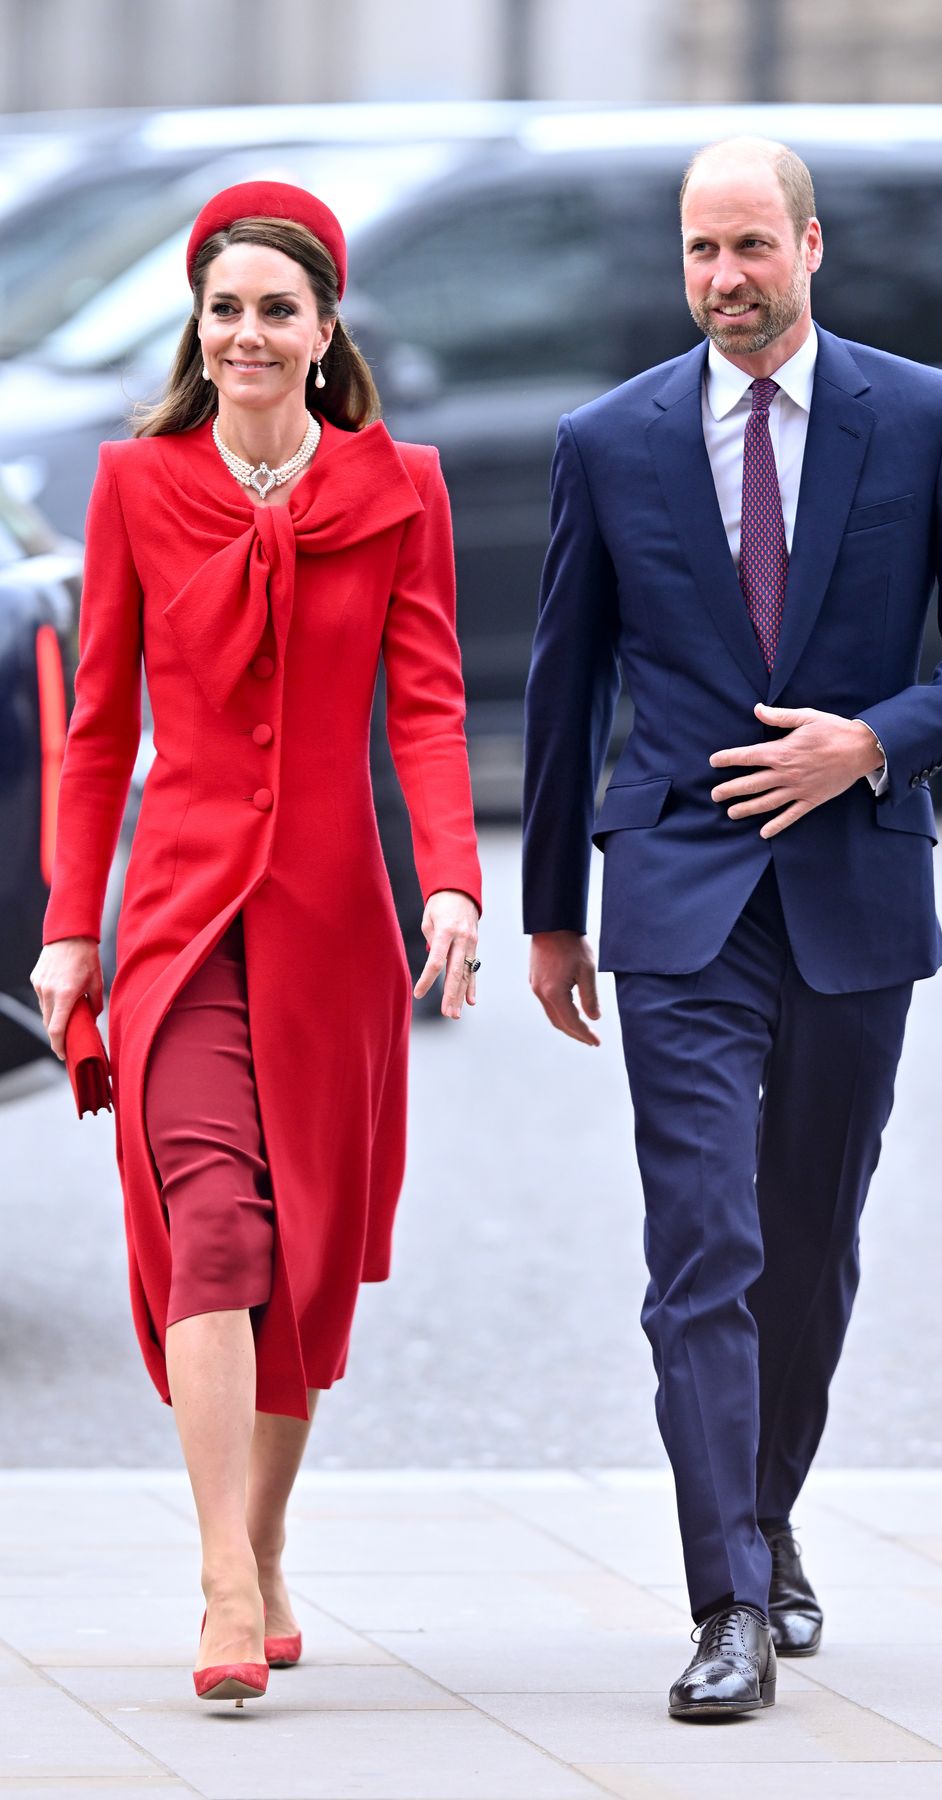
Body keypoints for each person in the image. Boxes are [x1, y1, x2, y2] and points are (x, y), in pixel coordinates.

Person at [522, 137, 942, 1720]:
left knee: (808, 1249)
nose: (723, 281)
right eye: (700, 252)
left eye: (750, 247)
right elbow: (567, 687)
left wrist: (870, 739)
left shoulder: (929, 418)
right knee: (704, 1245)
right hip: (677, 890)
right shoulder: (609, 439)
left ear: (811, 247)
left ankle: (766, 1512)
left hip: (853, 889)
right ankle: (728, 1603)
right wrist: (554, 911)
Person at [31, 182, 482, 1707]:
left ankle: (268, 1540)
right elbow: (95, 732)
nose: (245, 334)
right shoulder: (135, 484)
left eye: (275, 309)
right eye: (223, 308)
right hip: (171, 920)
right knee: (210, 1228)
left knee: (301, 1269)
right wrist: (66, 930)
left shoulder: (400, 487)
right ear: (198, 323)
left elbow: (427, 706)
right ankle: (227, 1578)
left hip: (332, 930)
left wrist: (451, 886)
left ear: (325, 326)